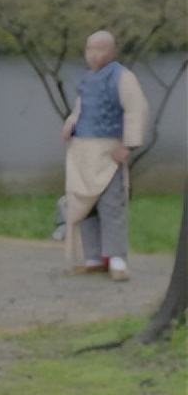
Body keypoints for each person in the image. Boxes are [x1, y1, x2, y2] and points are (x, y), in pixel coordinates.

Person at [60, 30, 149, 281]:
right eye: (89, 49)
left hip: (109, 150)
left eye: (99, 49)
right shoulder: (86, 79)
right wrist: (71, 124)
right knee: (85, 206)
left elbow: (136, 110)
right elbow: (81, 108)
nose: (93, 55)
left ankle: (117, 259)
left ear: (111, 51)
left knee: (111, 205)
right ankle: (93, 257)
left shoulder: (123, 77)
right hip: (83, 151)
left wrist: (128, 146)